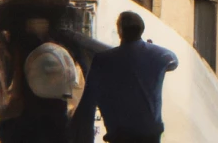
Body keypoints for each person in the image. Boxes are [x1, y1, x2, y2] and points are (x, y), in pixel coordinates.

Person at [71, 11, 178, 143]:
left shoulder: (103, 60)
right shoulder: (158, 55)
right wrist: (151, 48)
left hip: (120, 136)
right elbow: (173, 62)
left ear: (119, 30)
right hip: (151, 136)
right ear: (141, 30)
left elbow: (89, 101)